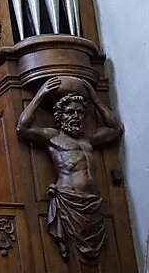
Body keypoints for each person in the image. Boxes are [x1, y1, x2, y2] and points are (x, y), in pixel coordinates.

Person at [17, 76, 122, 260]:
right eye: (70, 112)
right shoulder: (54, 137)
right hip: (69, 201)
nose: (76, 117)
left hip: (93, 202)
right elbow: (23, 127)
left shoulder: (88, 139)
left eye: (80, 113)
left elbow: (115, 129)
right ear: (61, 115)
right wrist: (41, 94)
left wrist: (95, 99)